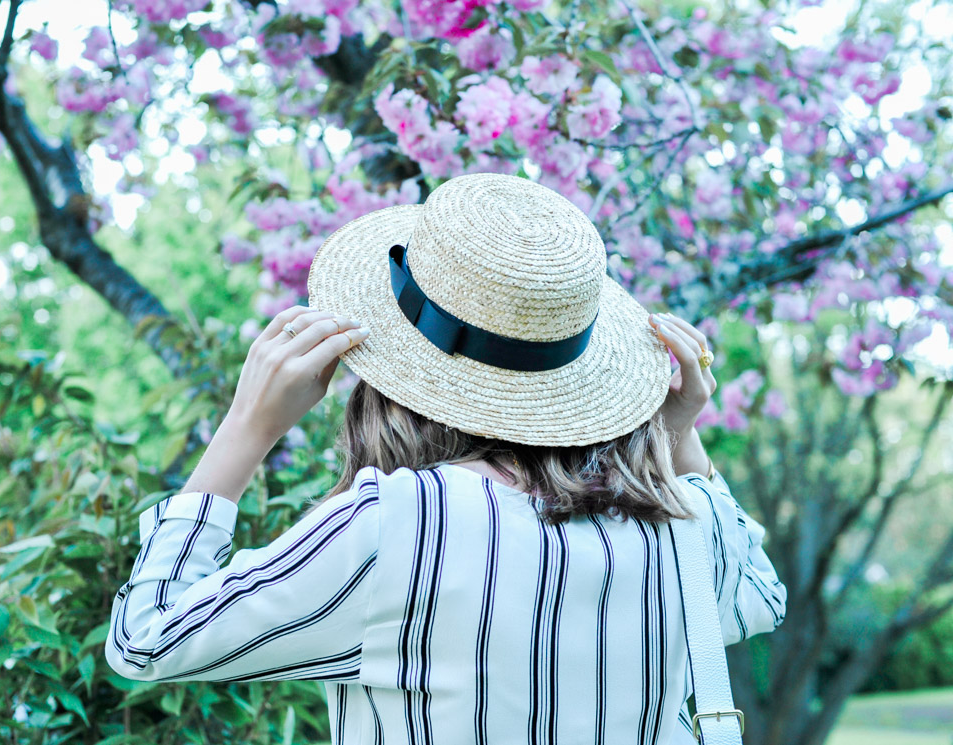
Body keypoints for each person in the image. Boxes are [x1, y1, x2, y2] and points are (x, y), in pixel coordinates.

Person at [105, 173, 787, 744]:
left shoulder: (400, 525)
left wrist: (246, 428)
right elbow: (759, 592)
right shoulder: (682, 526)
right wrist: (678, 439)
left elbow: (146, 638)